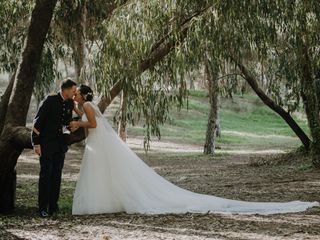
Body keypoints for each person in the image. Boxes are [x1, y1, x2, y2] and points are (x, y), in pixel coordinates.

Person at [70, 84, 319, 215]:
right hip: (99, 144)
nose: (77, 96)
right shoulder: (88, 104)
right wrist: (75, 111)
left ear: (84, 94)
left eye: (77, 94)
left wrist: (77, 122)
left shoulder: (90, 106)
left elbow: (91, 123)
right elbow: (87, 117)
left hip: (98, 142)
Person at [31, 78, 77, 217]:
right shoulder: (49, 101)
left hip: (60, 145)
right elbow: (37, 123)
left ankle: (53, 205)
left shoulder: (69, 102)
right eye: (73, 90)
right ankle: (43, 208)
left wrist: (71, 125)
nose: (75, 93)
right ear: (66, 89)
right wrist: (36, 143)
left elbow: (66, 121)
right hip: (46, 144)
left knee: (56, 175)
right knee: (46, 176)